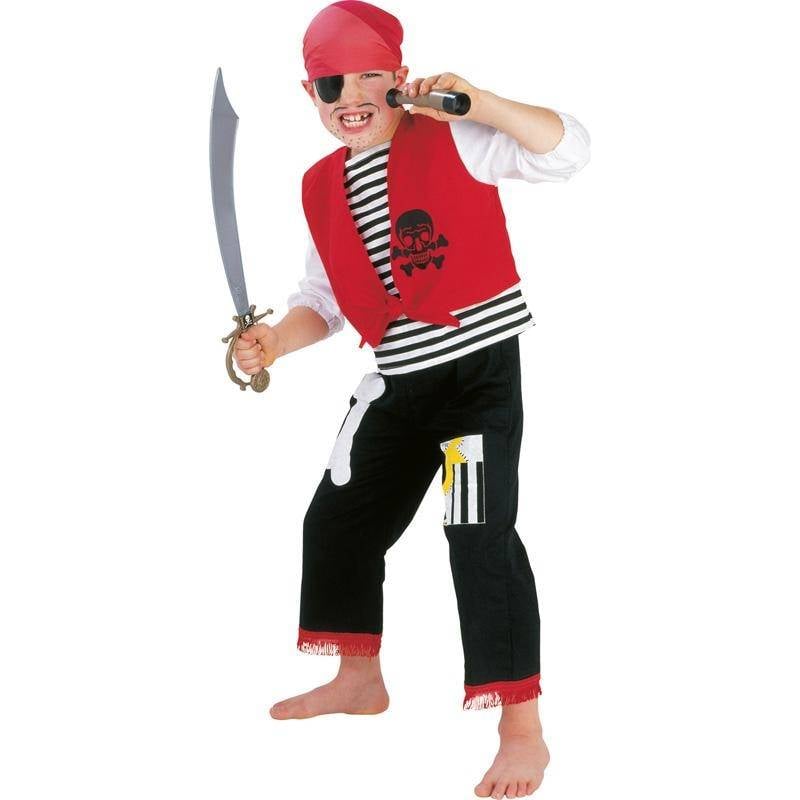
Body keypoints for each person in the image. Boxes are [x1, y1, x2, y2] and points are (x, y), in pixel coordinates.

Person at [233, 2, 590, 796]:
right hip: (397, 385)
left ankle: (521, 727)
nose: (351, 96)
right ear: (311, 94)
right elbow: (324, 301)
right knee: (337, 520)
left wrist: (480, 102)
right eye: (332, 83)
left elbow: (567, 150)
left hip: (474, 384)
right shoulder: (321, 186)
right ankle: (359, 678)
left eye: (370, 77)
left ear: (400, 79)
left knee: (477, 536)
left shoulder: (456, 135)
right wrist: (275, 342)